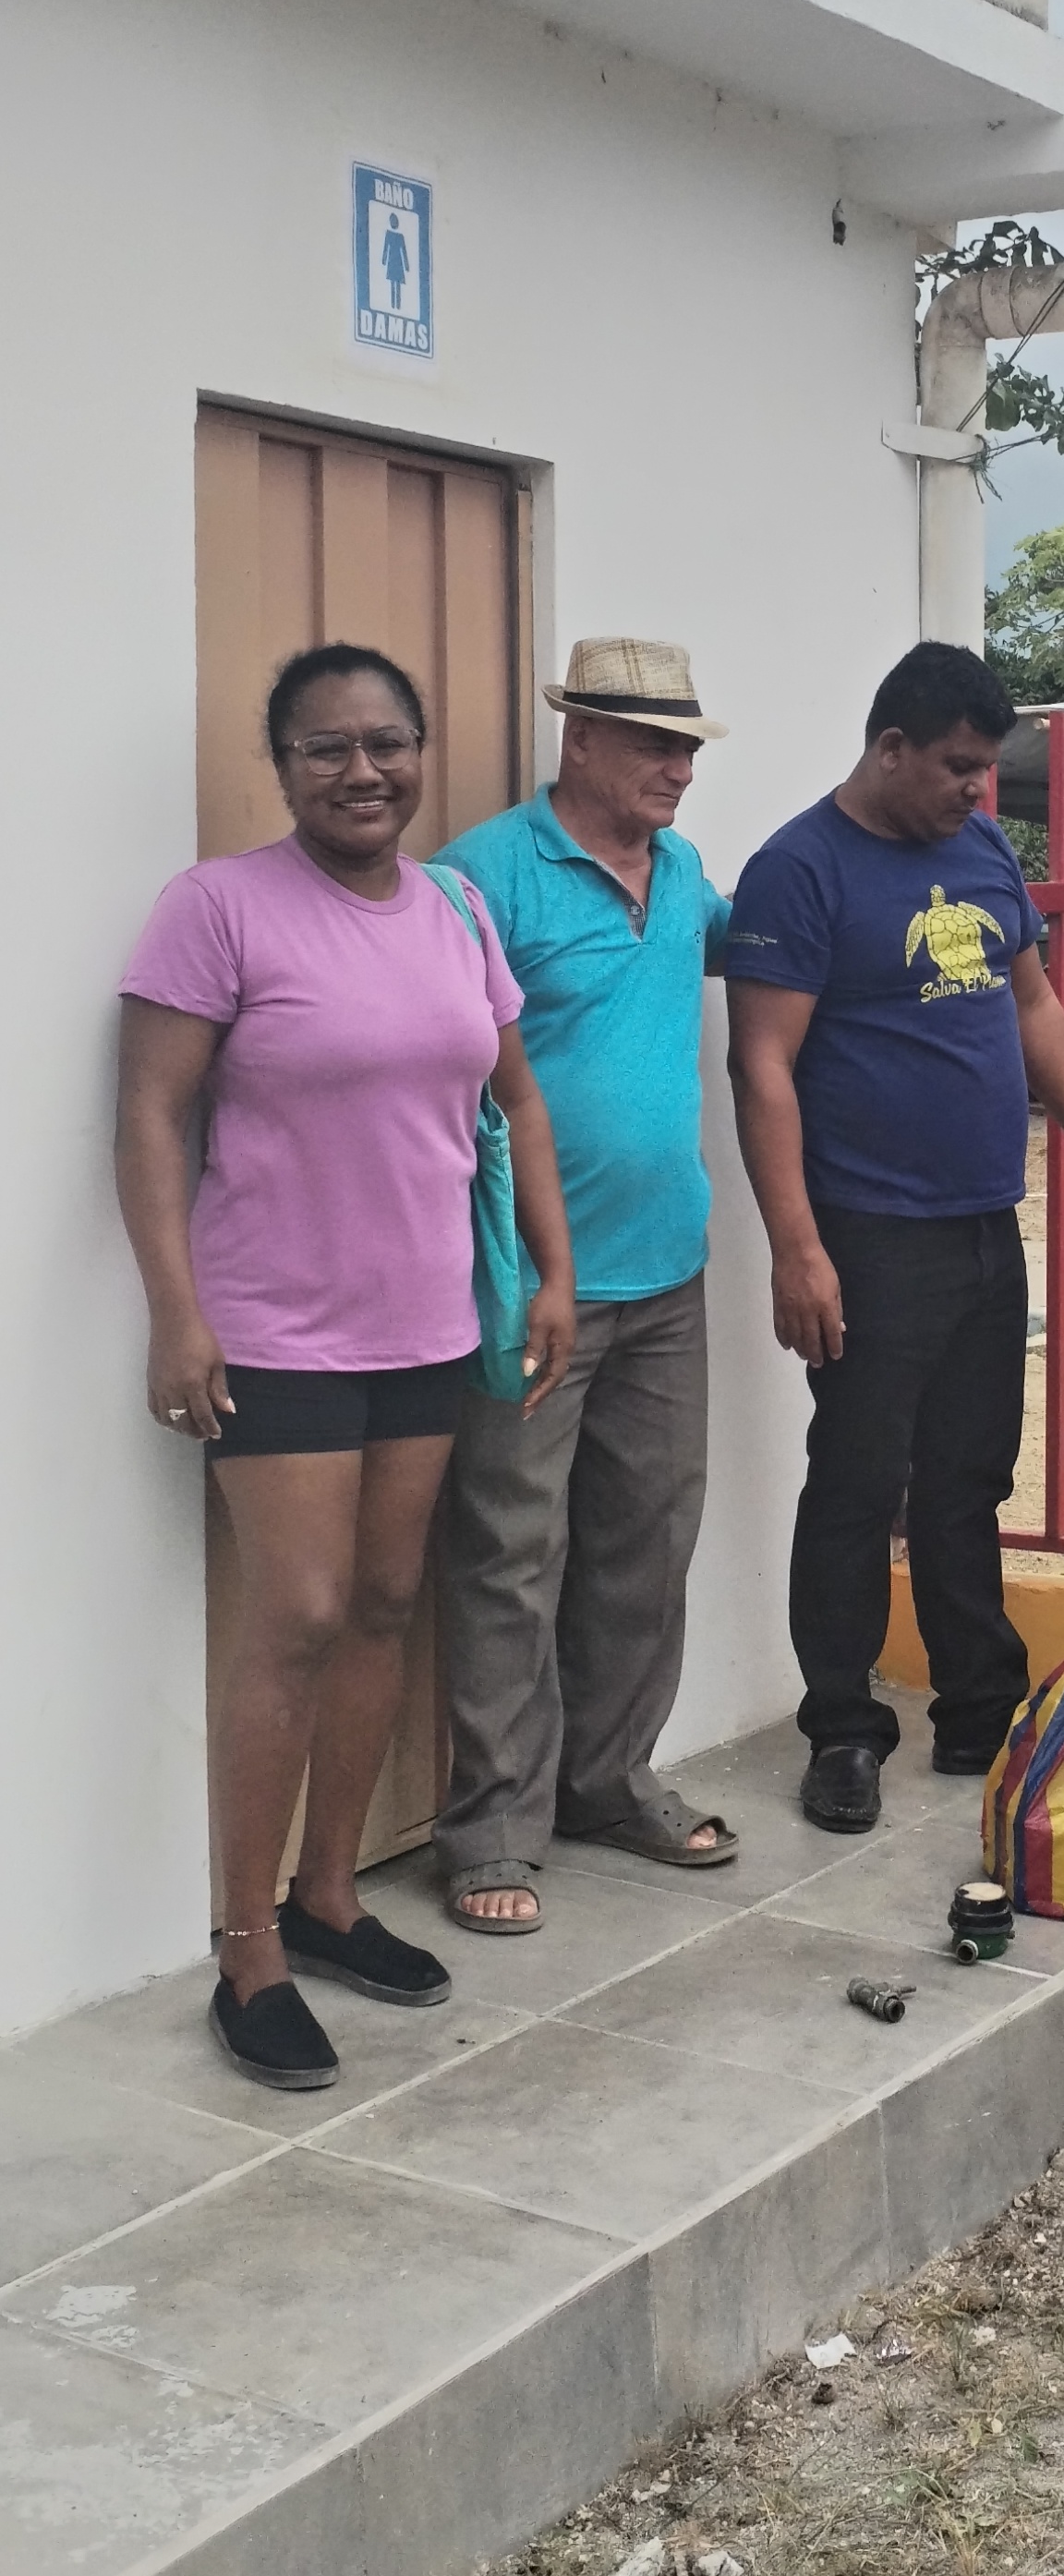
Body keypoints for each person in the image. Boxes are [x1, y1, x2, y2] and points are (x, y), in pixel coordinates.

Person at [116, 647, 574, 2094]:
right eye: (326, 748)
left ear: (420, 753)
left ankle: (328, 1897)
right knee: (300, 1615)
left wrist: (553, 1274)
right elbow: (150, 1114)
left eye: (387, 743)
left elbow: (515, 1099)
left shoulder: (456, 911)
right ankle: (247, 1943)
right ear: (285, 766)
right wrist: (175, 1311)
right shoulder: (218, 909)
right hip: (275, 1330)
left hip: (429, 1325)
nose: (362, 771)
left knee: (384, 1603)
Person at [724, 640, 1064, 1830]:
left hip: (979, 1222)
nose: (974, 788)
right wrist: (797, 1247)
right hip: (866, 1232)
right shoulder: (799, 869)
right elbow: (762, 1066)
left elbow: (1032, 1000)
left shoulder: (982, 850)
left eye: (984, 768)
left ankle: (977, 1713)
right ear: (890, 747)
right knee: (858, 1481)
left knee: (966, 1476)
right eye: (956, 766)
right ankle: (842, 1730)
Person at [432, 639, 735, 1932]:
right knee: (509, 1554)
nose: (679, 769)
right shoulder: (478, 879)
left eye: (687, 748)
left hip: (669, 1273)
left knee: (645, 1546)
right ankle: (494, 1829)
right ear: (582, 741)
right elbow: (447, 1078)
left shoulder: (686, 876)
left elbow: (778, 956)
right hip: (528, 1290)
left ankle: (609, 1783)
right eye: (654, 744)